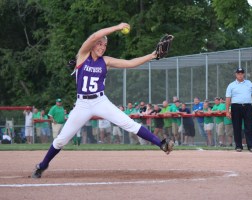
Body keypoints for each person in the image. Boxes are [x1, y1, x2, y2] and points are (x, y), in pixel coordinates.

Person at [31, 23, 173, 178]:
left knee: (130, 124)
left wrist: (153, 55)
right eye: (100, 43)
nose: (102, 46)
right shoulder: (83, 55)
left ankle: (162, 144)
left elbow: (130, 63)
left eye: (105, 45)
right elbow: (94, 36)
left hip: (100, 101)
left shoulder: (105, 61)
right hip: (82, 105)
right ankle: (42, 165)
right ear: (93, 45)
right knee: (61, 140)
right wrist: (117, 27)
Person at [225, 67, 252, 152]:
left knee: (249, 127)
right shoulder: (231, 85)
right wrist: (227, 111)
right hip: (236, 107)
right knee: (236, 127)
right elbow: (228, 98)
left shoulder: (249, 83)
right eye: (238, 73)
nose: (240, 75)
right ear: (236, 74)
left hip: (247, 106)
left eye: (241, 73)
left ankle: (251, 146)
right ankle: (238, 146)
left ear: (244, 74)